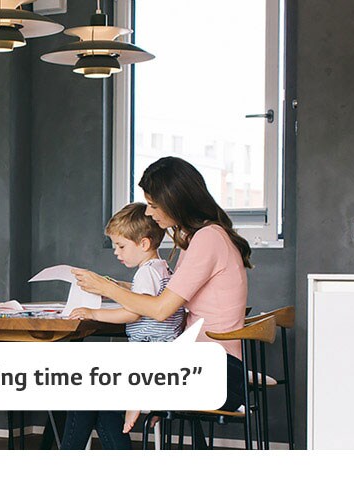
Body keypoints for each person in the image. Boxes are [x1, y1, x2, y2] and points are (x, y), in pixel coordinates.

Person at [72, 157, 251, 444]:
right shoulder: (206, 237)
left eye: (154, 205)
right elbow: (163, 298)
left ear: (175, 201)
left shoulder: (207, 240)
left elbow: (160, 309)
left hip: (216, 373)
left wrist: (103, 286)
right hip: (209, 366)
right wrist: (112, 286)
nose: (149, 212)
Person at [62, 202, 185, 449]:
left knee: (84, 390)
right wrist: (117, 288)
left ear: (144, 244)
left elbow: (133, 313)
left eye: (121, 246)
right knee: (105, 411)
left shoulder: (145, 273)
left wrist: (92, 313)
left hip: (149, 356)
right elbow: (141, 298)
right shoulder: (160, 268)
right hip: (165, 353)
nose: (117, 252)